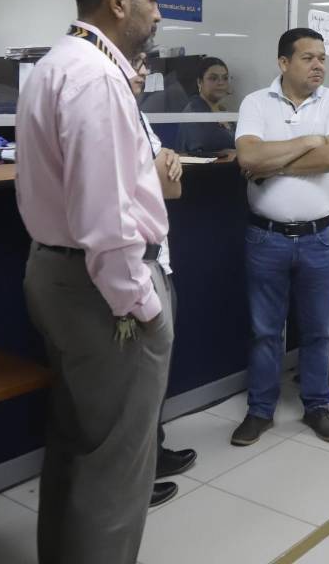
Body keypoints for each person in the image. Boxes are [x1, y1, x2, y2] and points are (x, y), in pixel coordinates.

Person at [15, 0, 171, 564]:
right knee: (115, 466)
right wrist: (144, 306)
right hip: (102, 292)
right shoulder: (97, 78)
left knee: (78, 442)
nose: (158, 14)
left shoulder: (56, 64)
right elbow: (105, 219)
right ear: (118, 0)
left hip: (57, 274)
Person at [231, 28, 329, 447]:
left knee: (320, 329)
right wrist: (305, 141)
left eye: (322, 57)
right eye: (308, 57)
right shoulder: (255, 103)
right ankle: (260, 410)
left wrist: (273, 163)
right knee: (265, 331)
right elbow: (248, 156)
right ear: (284, 63)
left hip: (321, 238)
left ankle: (317, 405)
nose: (319, 64)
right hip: (267, 239)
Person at [129, 51, 197, 509]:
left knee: (153, 375)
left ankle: (152, 454)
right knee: (131, 382)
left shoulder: (136, 115)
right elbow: (159, 181)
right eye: (130, 64)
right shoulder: (104, 117)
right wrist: (160, 170)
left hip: (158, 260)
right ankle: (131, 481)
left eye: (142, 65)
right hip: (129, 266)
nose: (140, 73)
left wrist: (161, 169)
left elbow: (171, 181)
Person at [176, 56, 237, 157]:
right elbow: (201, 150)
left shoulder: (223, 111)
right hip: (204, 171)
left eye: (225, 78)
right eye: (213, 78)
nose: (221, 83)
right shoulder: (194, 111)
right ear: (199, 82)